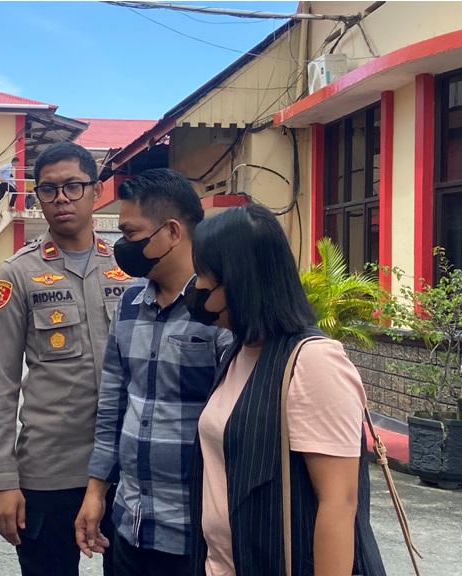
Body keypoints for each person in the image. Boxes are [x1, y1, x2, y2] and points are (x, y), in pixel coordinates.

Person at [185, 203, 386, 575]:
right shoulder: (238, 352)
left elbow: (338, 504)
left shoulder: (313, 362)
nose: (195, 287)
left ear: (238, 281)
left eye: (203, 275)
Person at [0, 141, 132, 576]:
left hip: (125, 467)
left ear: (96, 191)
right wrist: (1, 480)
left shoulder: (129, 267)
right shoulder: (17, 273)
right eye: (48, 189)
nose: (61, 198)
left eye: (73, 186)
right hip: (49, 472)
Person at [75, 169, 232, 575]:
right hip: (129, 526)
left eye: (130, 234)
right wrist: (96, 492)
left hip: (195, 535)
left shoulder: (219, 311)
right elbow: (112, 406)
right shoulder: (128, 305)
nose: (122, 247)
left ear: (172, 232)